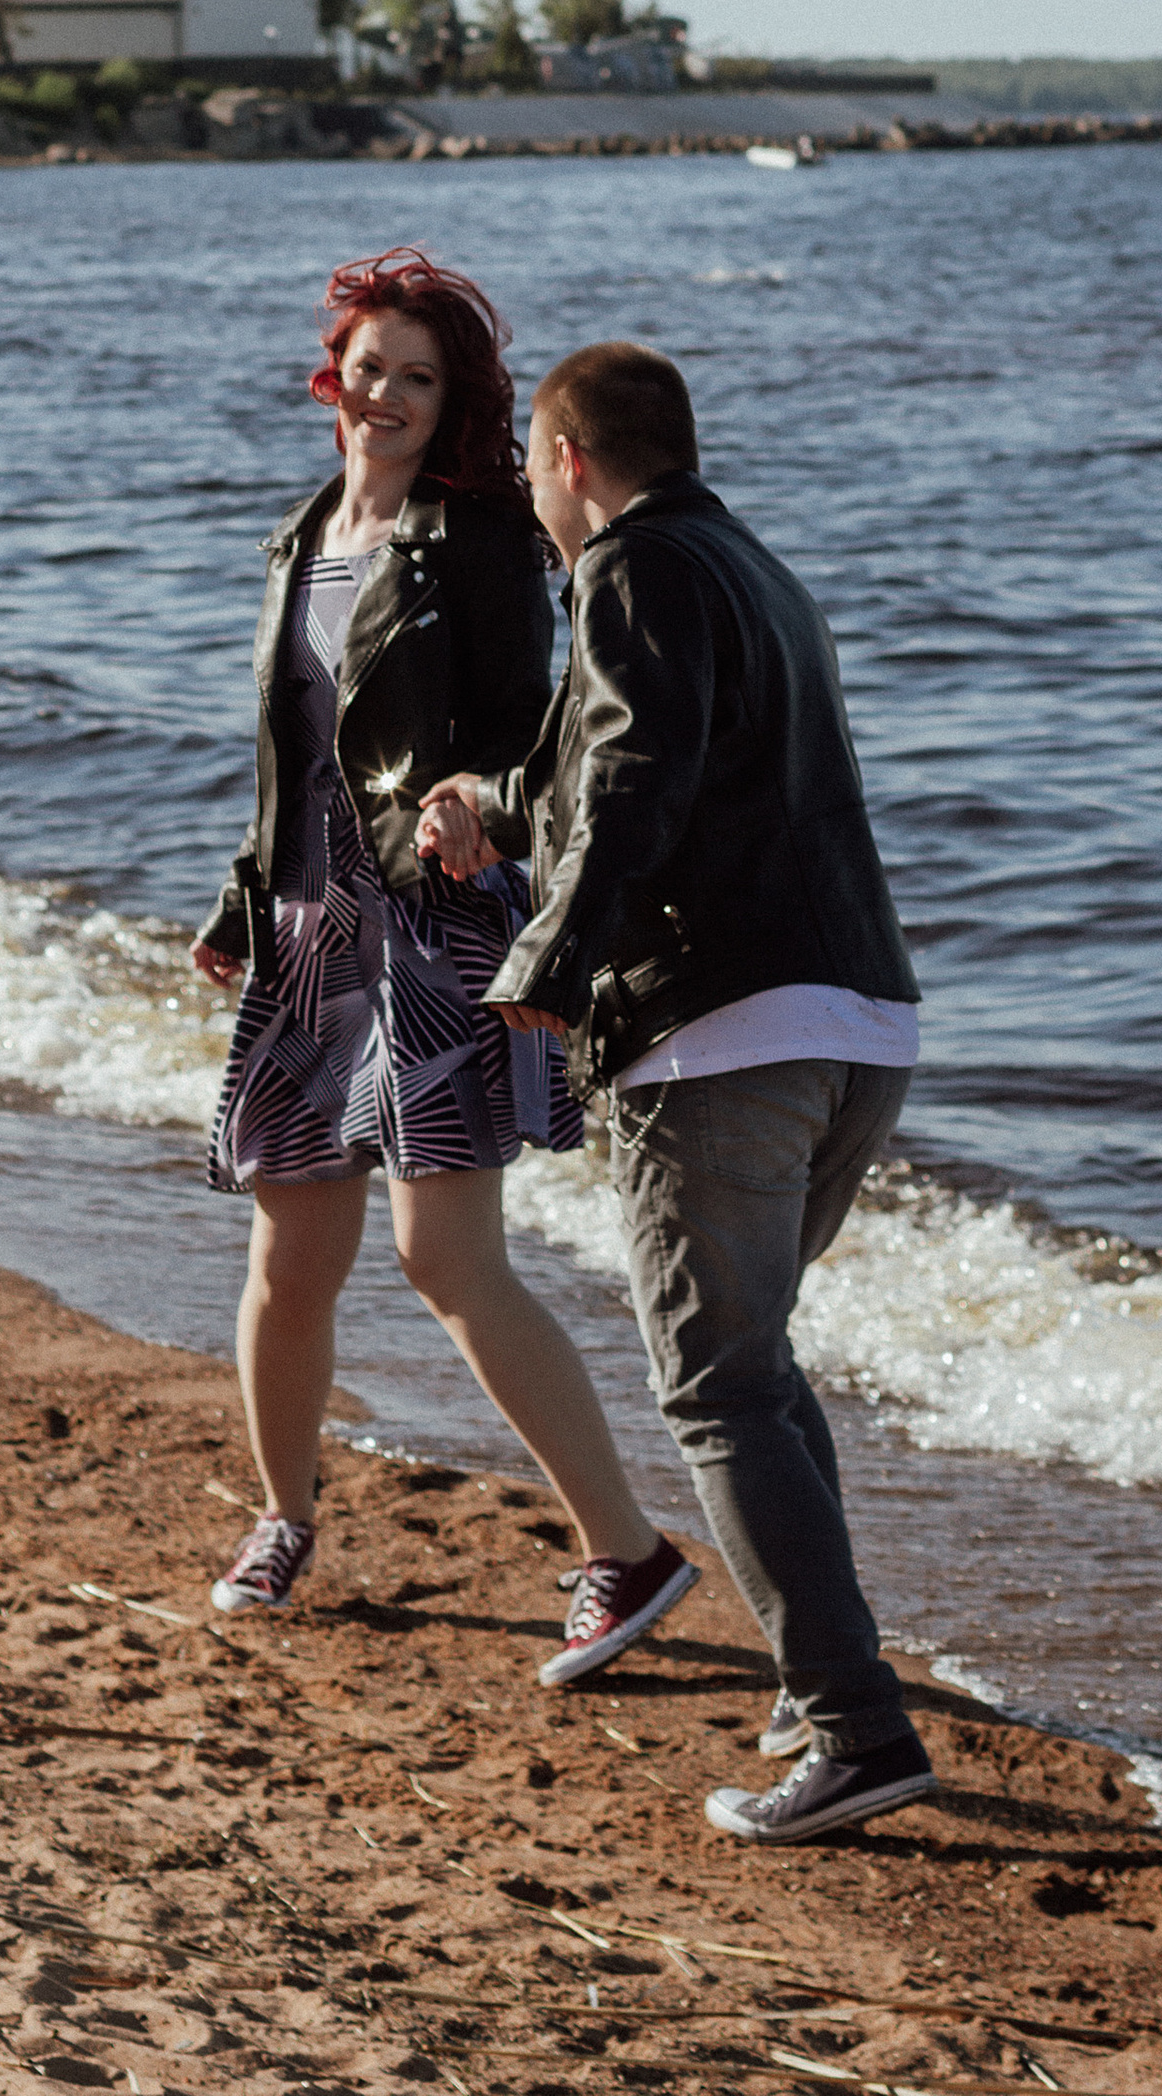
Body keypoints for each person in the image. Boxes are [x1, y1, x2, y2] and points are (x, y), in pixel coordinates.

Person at [419, 339, 933, 1844]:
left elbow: (641, 767)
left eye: (532, 465)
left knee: (717, 1385)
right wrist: (496, 803)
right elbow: (635, 767)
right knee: (756, 1368)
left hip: (719, 1030)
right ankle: (815, 1678)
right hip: (857, 1021)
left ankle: (852, 1728)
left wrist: (553, 955)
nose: (532, 493)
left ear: (571, 459)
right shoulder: (756, 565)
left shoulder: (629, 569)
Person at [193, 249, 697, 1686]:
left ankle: (627, 1548)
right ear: (331, 374)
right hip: (309, 928)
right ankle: (282, 1518)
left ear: (454, 399)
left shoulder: (475, 539)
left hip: (431, 914)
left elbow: (541, 731)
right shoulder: (305, 533)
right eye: (371, 366)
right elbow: (291, 756)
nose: (389, 394)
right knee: (288, 1259)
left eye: (421, 376)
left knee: (441, 1255)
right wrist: (244, 904)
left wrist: (473, 799)